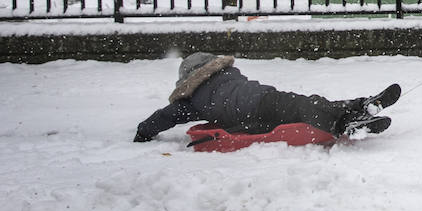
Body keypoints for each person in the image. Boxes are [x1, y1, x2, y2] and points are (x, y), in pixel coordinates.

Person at [134, 52, 400, 142]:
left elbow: (164, 117)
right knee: (309, 104)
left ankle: (355, 115)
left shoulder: (192, 100)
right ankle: (354, 113)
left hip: (254, 113)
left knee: (307, 106)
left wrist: (144, 132)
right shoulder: (226, 75)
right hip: (264, 100)